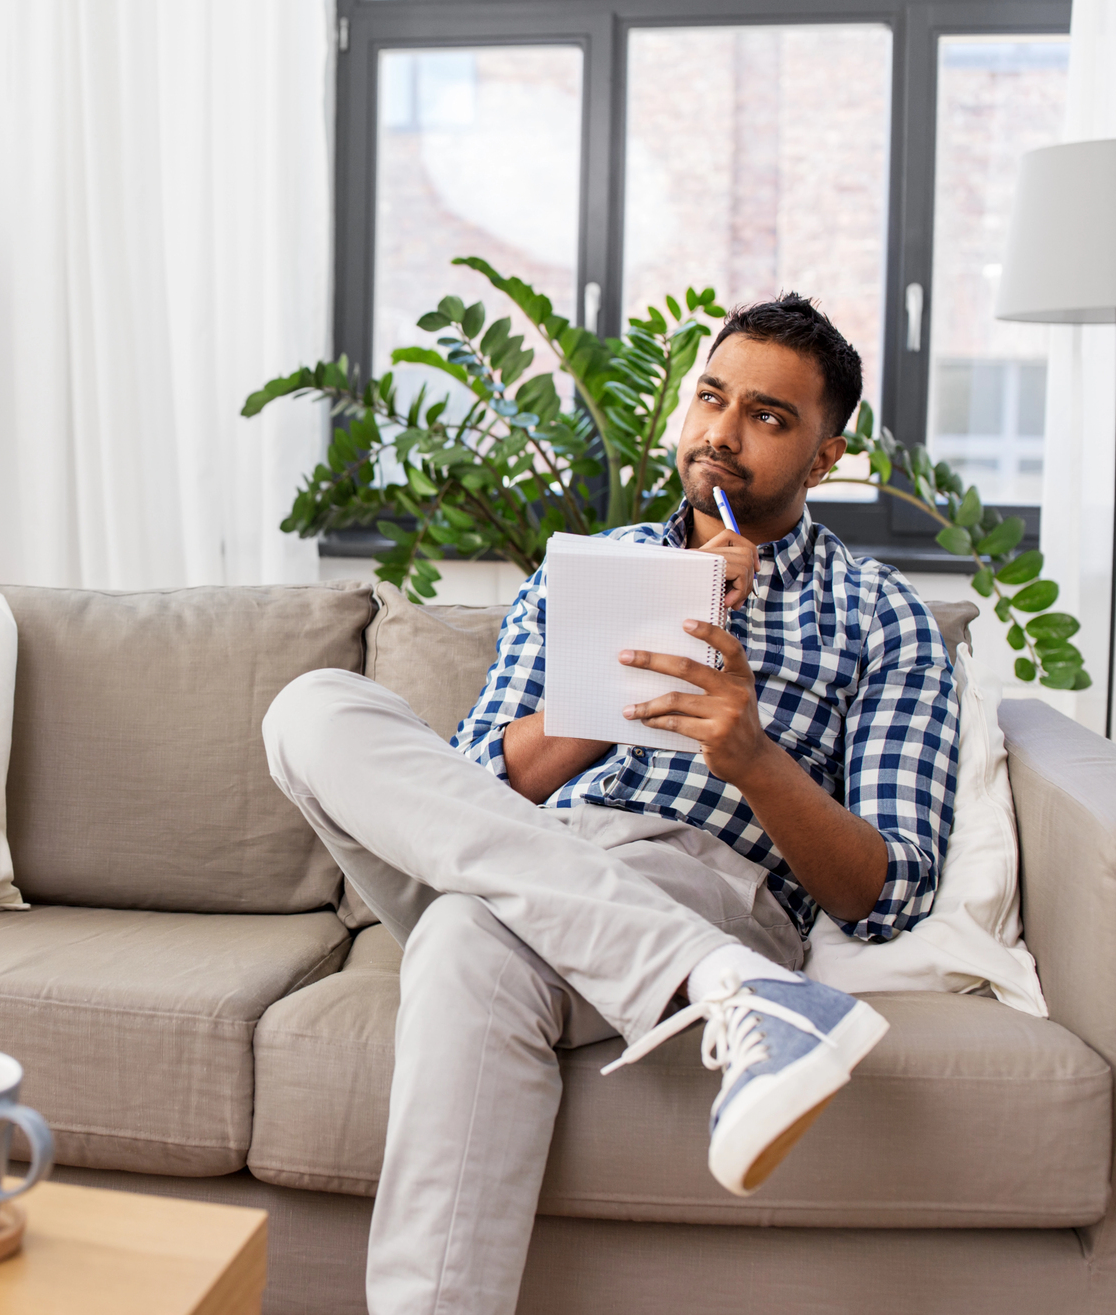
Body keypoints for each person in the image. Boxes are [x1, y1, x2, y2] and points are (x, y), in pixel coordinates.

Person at [263, 294, 959, 1315]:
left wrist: (752, 754)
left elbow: (885, 889)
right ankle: (725, 990)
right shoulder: (582, 571)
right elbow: (465, 791)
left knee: (462, 937)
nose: (719, 433)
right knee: (310, 707)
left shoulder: (877, 613)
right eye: (711, 398)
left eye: (766, 418)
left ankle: (724, 962)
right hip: (524, 847)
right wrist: (617, 688)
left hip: (696, 877)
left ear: (821, 459)